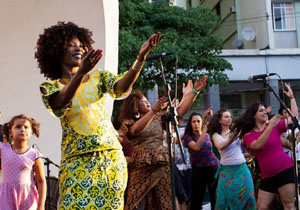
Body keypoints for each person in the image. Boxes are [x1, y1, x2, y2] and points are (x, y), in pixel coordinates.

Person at [35, 21, 164, 209]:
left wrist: (140, 58)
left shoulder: (99, 78)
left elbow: (121, 87)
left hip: (110, 159)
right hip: (76, 162)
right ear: (56, 50)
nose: (77, 48)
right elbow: (61, 102)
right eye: (71, 44)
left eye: (80, 45)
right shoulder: (50, 88)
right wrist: (80, 73)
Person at [118, 77, 207, 210]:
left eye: (147, 100)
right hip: (141, 165)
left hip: (162, 162)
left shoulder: (158, 118)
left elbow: (180, 111)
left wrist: (194, 92)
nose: (148, 102)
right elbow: (134, 131)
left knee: (165, 201)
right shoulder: (128, 121)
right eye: (143, 101)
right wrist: (153, 110)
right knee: (134, 201)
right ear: (135, 105)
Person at [231, 102, 296, 210]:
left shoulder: (275, 127)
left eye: (265, 110)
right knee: (261, 207)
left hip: (284, 169)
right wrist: (270, 126)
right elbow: (257, 145)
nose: (265, 112)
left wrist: (291, 97)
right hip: (267, 175)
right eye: (261, 110)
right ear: (253, 115)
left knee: (288, 205)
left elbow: (294, 118)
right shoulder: (249, 135)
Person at [207, 109, 256, 209]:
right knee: (223, 200)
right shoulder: (216, 135)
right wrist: (235, 136)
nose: (229, 118)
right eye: (226, 117)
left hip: (242, 168)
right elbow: (220, 146)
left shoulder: (235, 131)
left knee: (249, 195)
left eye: (230, 116)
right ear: (220, 120)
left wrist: (250, 153)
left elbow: (238, 150)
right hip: (227, 171)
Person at [0, 114, 46, 210]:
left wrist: (41, 206)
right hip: (6, 198)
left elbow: (41, 181)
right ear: (10, 132)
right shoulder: (3, 149)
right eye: (18, 127)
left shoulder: (35, 155)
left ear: (31, 131)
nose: (22, 129)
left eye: (26, 127)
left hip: (27, 199)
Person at [183, 109, 219, 210]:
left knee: (215, 196)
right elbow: (196, 147)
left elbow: (201, 128)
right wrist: (204, 130)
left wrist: (205, 116)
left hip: (213, 166)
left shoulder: (204, 132)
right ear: (190, 124)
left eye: (198, 121)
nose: (196, 124)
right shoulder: (188, 137)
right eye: (193, 122)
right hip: (198, 169)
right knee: (196, 198)